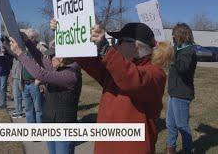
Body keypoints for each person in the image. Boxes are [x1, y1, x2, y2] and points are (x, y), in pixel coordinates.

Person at [51, 20, 174, 154]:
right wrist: (64, 34)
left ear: (135, 47)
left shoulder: (155, 74)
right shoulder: (115, 68)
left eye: (119, 42)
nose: (115, 46)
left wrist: (106, 50)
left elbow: (132, 79)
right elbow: (89, 61)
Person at [9, 35, 82, 154]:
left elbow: (41, 75)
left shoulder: (71, 75)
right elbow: (41, 58)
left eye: (53, 55)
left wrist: (20, 54)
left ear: (64, 57)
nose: (50, 58)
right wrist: (27, 41)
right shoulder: (58, 67)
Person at [166, 23, 197, 154]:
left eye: (174, 34)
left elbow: (183, 68)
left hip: (182, 94)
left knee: (182, 126)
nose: (172, 36)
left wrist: (172, 56)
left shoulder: (188, 50)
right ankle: (170, 149)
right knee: (170, 125)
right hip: (174, 93)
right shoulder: (178, 49)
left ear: (181, 35)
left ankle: (187, 150)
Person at [19, 28, 43, 124]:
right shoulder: (24, 49)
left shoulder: (40, 48)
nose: (25, 40)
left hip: (35, 84)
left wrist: (40, 80)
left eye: (27, 38)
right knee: (28, 110)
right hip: (25, 84)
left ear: (33, 38)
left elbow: (47, 63)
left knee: (38, 110)